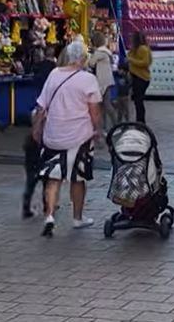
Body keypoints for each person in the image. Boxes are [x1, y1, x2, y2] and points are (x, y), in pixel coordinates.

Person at [35, 39, 103, 237]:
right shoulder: (88, 79)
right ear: (83, 58)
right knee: (77, 178)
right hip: (79, 137)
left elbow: (42, 106)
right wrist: (98, 130)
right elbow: (94, 111)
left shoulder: (54, 74)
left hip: (53, 135)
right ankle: (77, 217)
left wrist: (37, 128)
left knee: (53, 177)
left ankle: (49, 215)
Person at [22, 46, 58, 219]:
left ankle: (27, 205)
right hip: (45, 143)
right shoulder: (52, 100)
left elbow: (35, 115)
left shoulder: (38, 102)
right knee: (47, 177)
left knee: (31, 178)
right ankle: (47, 204)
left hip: (32, 143)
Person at [90, 32, 117, 132]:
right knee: (105, 105)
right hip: (108, 80)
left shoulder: (99, 53)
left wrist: (92, 54)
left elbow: (91, 63)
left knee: (105, 105)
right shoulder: (107, 52)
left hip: (101, 82)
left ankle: (113, 125)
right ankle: (107, 126)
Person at [127, 31, 152, 123]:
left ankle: (141, 120)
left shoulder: (142, 49)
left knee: (139, 101)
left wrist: (131, 60)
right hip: (137, 76)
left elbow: (145, 63)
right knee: (138, 101)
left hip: (141, 77)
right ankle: (139, 120)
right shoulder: (137, 49)